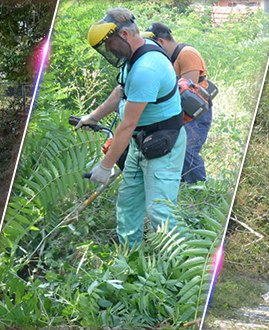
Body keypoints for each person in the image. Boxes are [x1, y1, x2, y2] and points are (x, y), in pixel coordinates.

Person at [75, 8, 186, 247]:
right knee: (128, 205)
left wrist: (104, 167)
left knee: (160, 212)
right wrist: (92, 117)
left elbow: (126, 126)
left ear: (124, 34)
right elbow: (121, 90)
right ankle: (130, 260)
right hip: (139, 142)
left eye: (108, 43)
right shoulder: (133, 57)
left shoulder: (147, 69)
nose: (107, 50)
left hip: (162, 143)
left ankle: (182, 271)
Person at [143, 22, 212, 184]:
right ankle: (182, 187)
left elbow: (189, 94)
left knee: (188, 150)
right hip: (178, 111)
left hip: (196, 111)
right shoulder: (169, 59)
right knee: (174, 150)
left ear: (160, 42)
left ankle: (200, 189)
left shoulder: (187, 54)